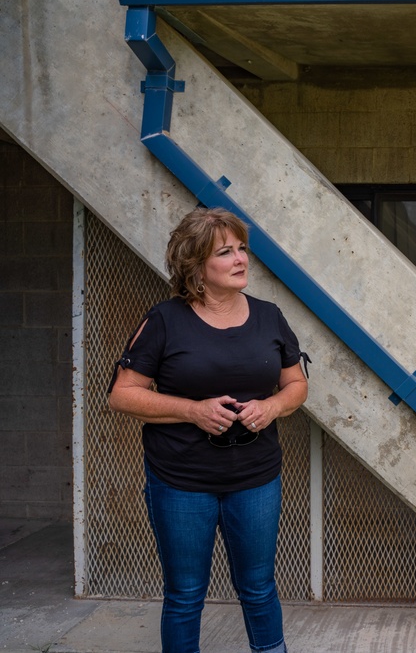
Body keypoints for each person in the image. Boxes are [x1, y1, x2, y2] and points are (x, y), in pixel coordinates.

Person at [108, 207, 309, 653]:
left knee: (259, 589)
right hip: (181, 481)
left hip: (255, 478)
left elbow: (296, 384)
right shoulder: (164, 320)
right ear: (197, 266)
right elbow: (122, 395)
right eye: (226, 252)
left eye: (242, 249)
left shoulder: (270, 316)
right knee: (184, 596)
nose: (241, 260)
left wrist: (273, 406)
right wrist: (193, 411)